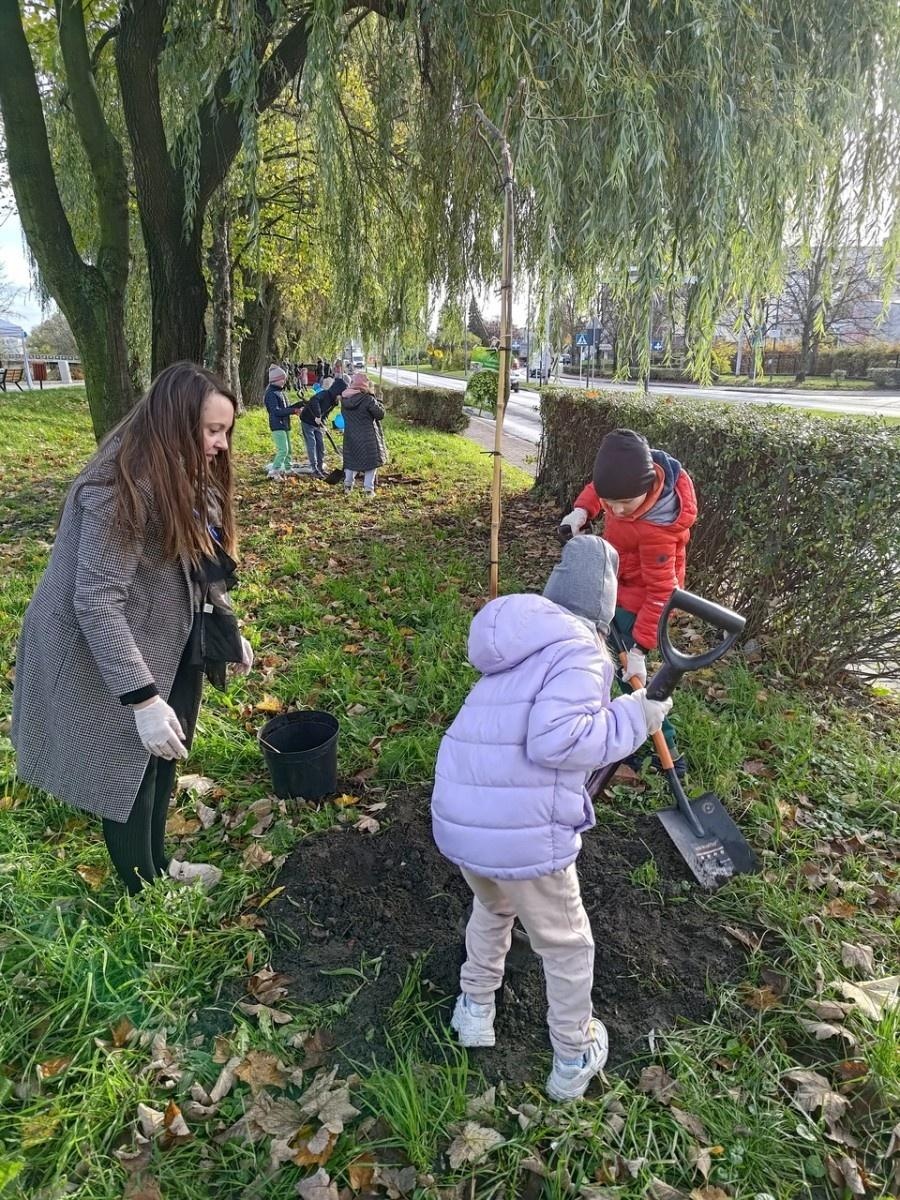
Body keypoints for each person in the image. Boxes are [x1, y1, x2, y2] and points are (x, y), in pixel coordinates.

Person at [432, 536, 672, 1100]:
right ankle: (572, 1055)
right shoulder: (584, 652)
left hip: (463, 819)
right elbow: (558, 740)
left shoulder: (517, 644)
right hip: (520, 832)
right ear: (601, 612)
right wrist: (635, 718)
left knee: (493, 905)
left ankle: (474, 1009)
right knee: (566, 944)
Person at [10, 362, 253, 895]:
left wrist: (225, 626)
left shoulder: (183, 472)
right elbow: (95, 600)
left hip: (165, 635)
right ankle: (142, 888)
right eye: (212, 430)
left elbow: (196, 558)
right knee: (129, 770)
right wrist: (143, 701)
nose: (221, 444)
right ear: (176, 422)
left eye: (226, 431)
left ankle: (159, 864)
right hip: (98, 646)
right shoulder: (119, 486)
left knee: (166, 753)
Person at [558, 429, 697, 776]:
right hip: (616, 584)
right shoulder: (623, 488)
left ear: (648, 489)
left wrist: (640, 648)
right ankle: (618, 727)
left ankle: (667, 754)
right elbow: (597, 490)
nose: (617, 511)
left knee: (633, 679)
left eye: (625, 504)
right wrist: (582, 510)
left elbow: (662, 593)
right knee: (608, 665)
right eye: (611, 504)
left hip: (642, 604)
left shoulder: (658, 530)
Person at [340, 371, 387, 494]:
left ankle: (347, 486)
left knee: (351, 461)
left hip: (350, 435)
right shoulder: (368, 399)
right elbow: (380, 415)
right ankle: (368, 489)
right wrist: (379, 400)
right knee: (371, 463)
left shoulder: (344, 399)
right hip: (367, 437)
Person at [298, 376, 343, 478]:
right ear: (337, 391)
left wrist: (323, 423)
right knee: (312, 444)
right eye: (340, 395)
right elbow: (314, 401)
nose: (341, 398)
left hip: (318, 423)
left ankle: (320, 467)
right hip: (307, 420)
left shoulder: (334, 402)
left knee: (321, 446)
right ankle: (314, 469)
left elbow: (326, 413)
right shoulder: (325, 394)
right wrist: (318, 415)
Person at [264, 364, 301, 479]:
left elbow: (286, 408)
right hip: (277, 425)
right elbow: (276, 411)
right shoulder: (271, 394)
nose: (284, 381)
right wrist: (294, 411)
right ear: (275, 380)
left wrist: (299, 405)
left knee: (289, 449)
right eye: (282, 379)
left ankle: (288, 469)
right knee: (283, 450)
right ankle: (274, 470)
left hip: (284, 424)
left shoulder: (280, 392)